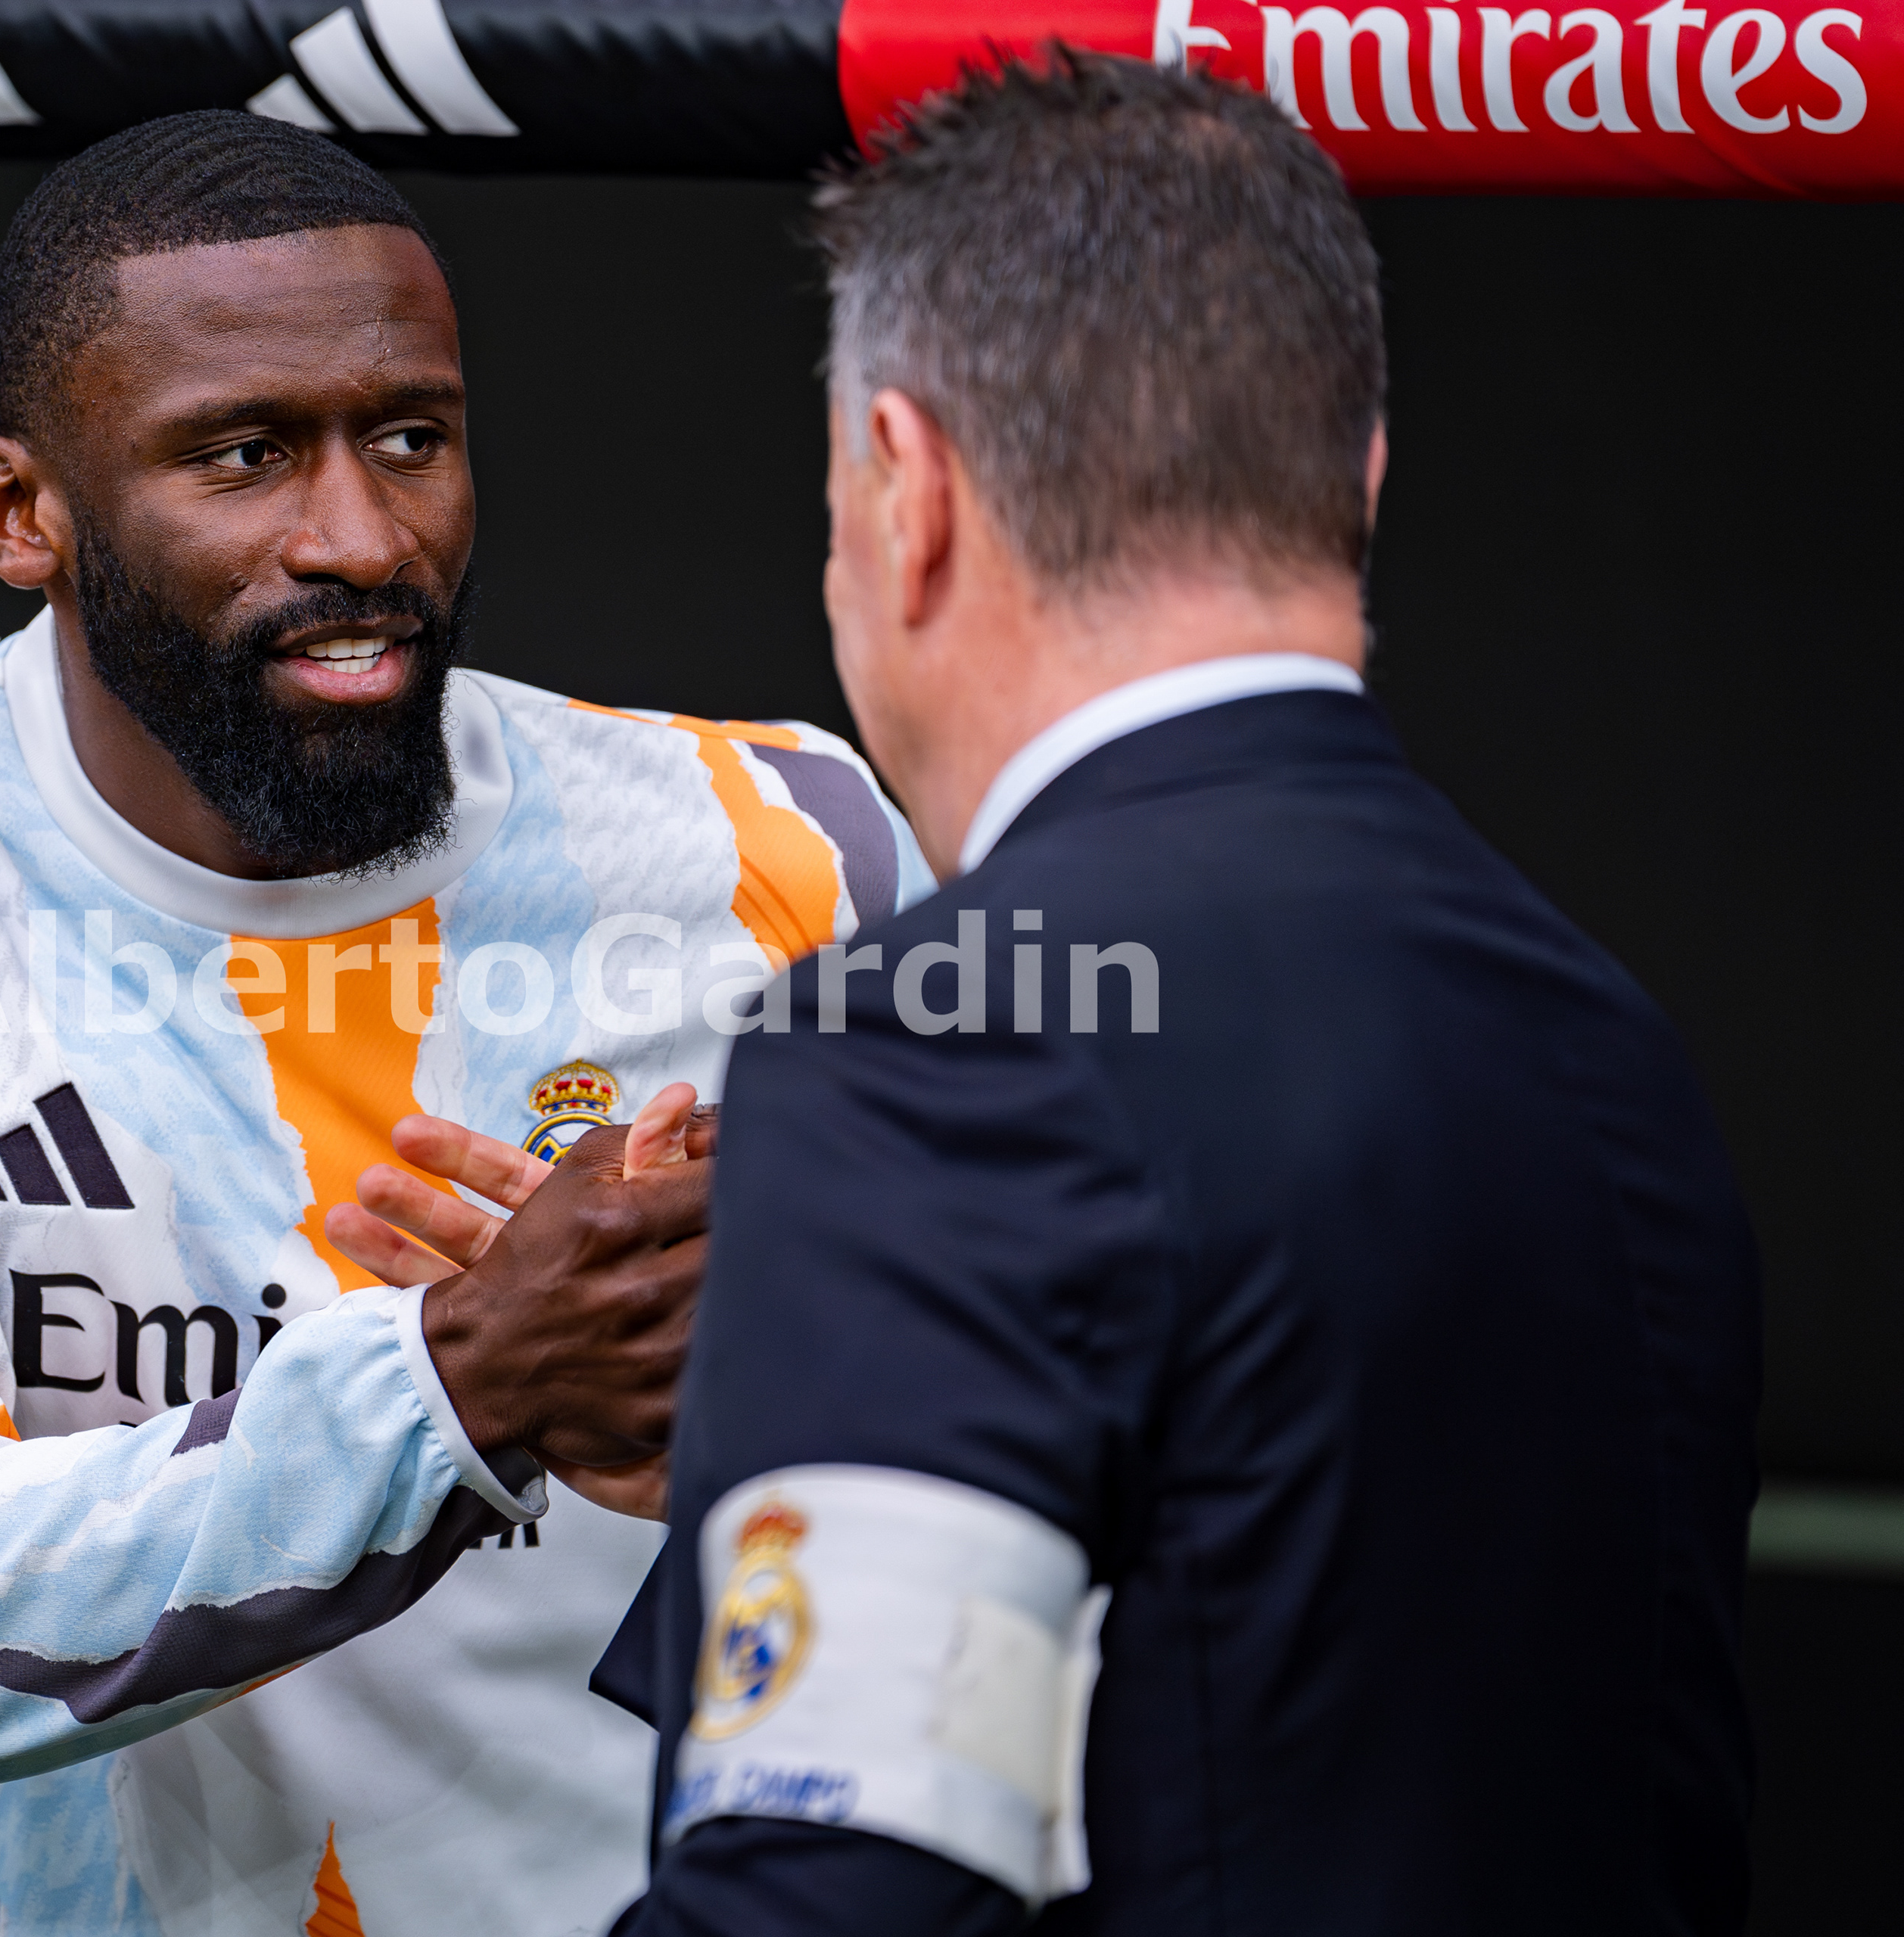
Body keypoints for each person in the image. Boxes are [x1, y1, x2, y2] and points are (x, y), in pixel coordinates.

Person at [0, 111, 928, 1937]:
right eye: (242, 454)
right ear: (18, 511)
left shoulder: (781, 841)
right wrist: (463, 1380)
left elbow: (988, 1505)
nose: (361, 536)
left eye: (411, 438)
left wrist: (750, 1430)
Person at [593, 53, 1759, 1935]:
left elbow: (835, 1892)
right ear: (1360, 475)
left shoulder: (945, 1031)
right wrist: (788, 1416)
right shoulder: (1612, 1042)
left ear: (907, 491)